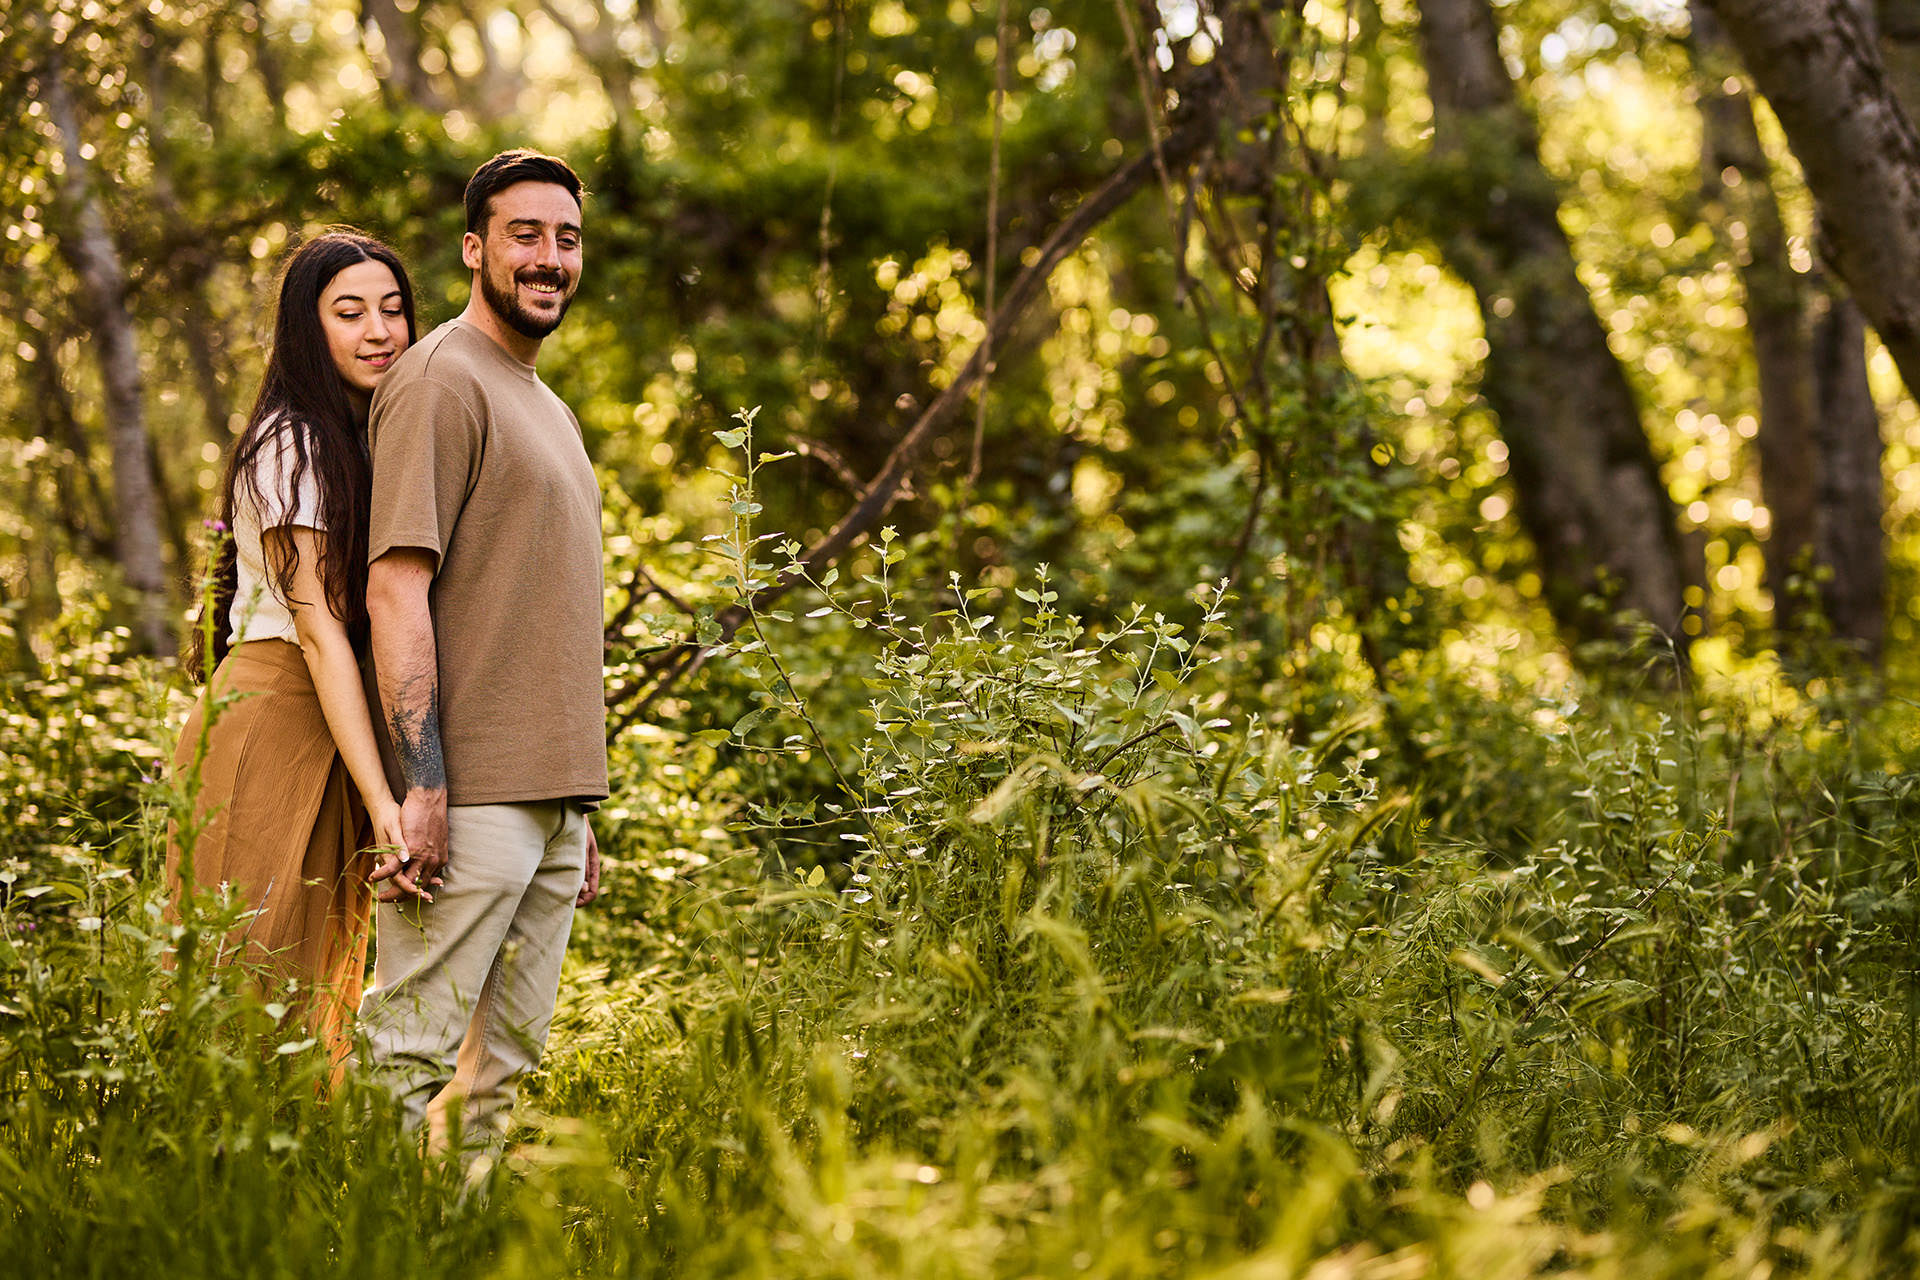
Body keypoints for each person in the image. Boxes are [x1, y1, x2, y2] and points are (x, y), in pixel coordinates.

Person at [356, 149, 607, 1158]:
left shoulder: (547, 405)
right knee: (408, 1052)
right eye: (524, 235)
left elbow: (539, 611)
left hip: (548, 802)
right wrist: (423, 785)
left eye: (567, 239)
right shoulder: (438, 379)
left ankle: (454, 1235)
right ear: (474, 249)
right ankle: (350, 1232)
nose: (549, 258)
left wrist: (575, 802)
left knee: (501, 1073)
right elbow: (394, 587)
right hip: (468, 800)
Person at [169, 231, 416, 1057]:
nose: (378, 330)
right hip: (274, 712)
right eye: (350, 313)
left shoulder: (364, 437)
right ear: (308, 330)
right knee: (249, 981)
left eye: (392, 309)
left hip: (334, 722)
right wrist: (384, 802)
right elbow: (316, 627)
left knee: (316, 986)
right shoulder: (294, 442)